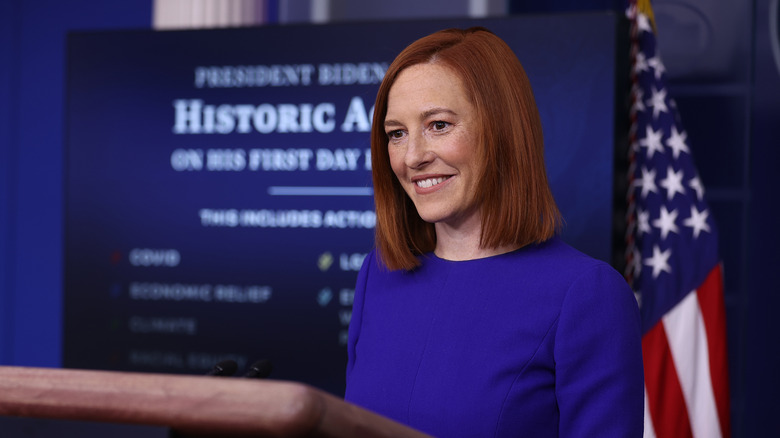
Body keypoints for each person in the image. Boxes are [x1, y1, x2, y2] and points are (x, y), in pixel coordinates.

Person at [344, 27, 644, 437]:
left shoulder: (587, 295)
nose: (412, 157)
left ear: (502, 129)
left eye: (439, 125)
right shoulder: (377, 276)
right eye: (397, 134)